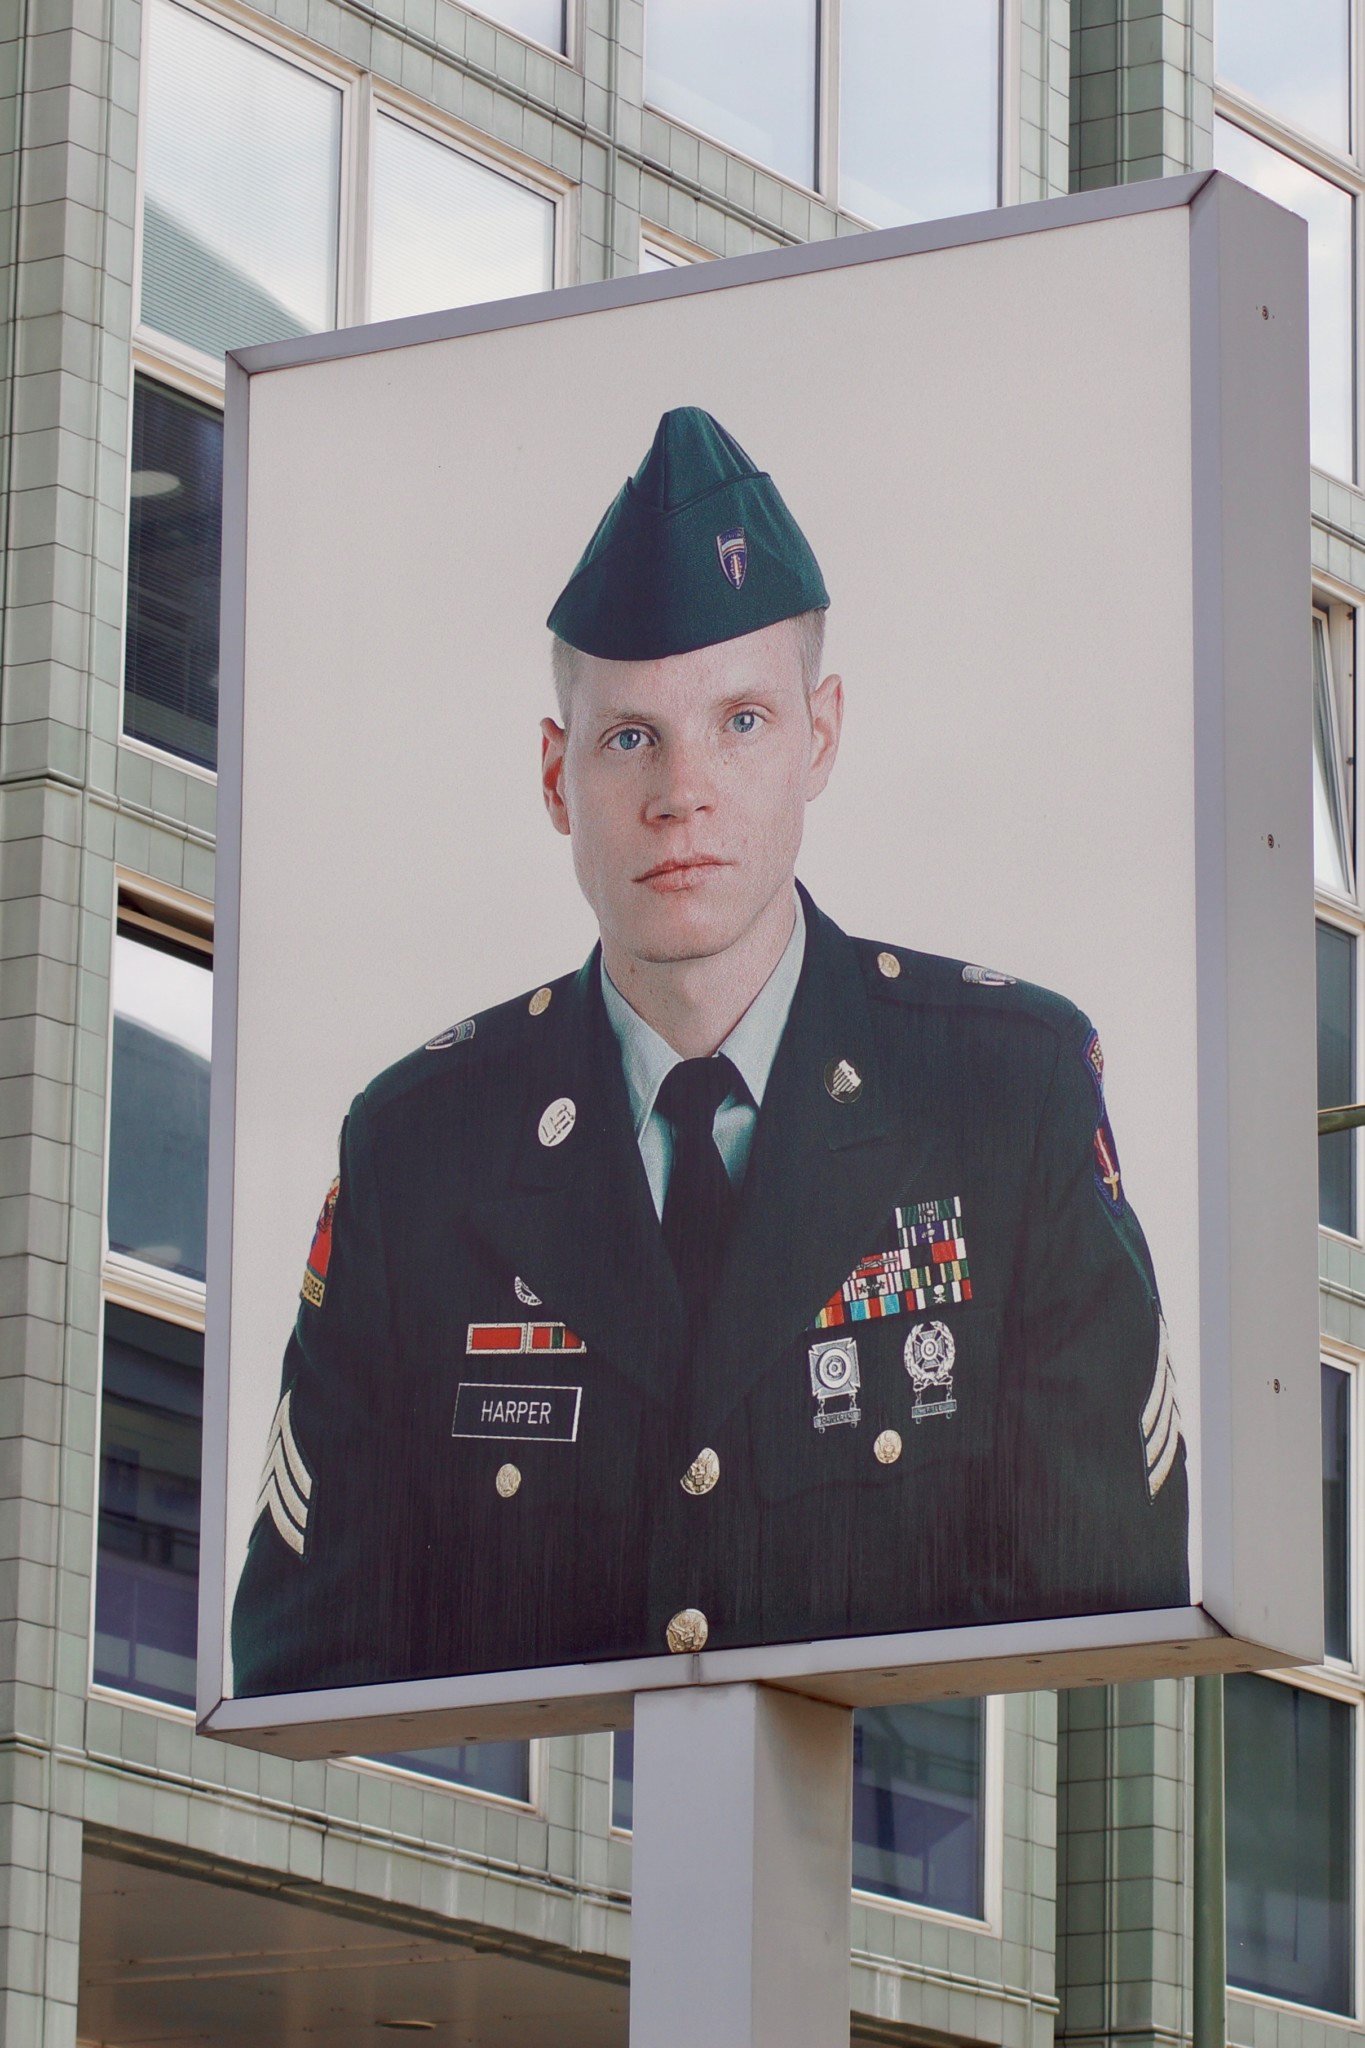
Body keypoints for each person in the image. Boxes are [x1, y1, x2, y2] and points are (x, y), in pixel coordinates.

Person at [232, 407, 1188, 1696]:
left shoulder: (1004, 1097)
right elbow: (310, 1667)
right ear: (559, 777)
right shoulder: (422, 1150)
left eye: (739, 721)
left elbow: (1111, 1627)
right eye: (632, 736)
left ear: (822, 736)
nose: (682, 792)